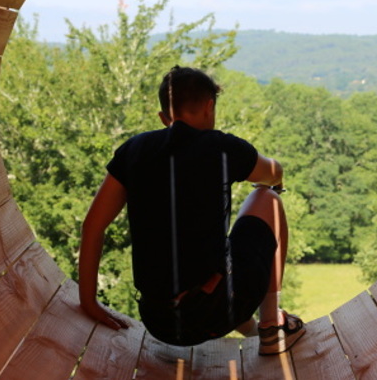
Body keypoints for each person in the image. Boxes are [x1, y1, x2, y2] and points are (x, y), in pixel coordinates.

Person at [78, 66, 305, 355]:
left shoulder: (133, 150)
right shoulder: (223, 147)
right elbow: (273, 172)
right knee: (267, 199)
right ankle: (271, 326)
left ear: (163, 118)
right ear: (210, 107)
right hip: (215, 313)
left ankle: (248, 328)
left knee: (206, 261)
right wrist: (276, 184)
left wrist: (88, 301)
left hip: (158, 322)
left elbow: (93, 227)